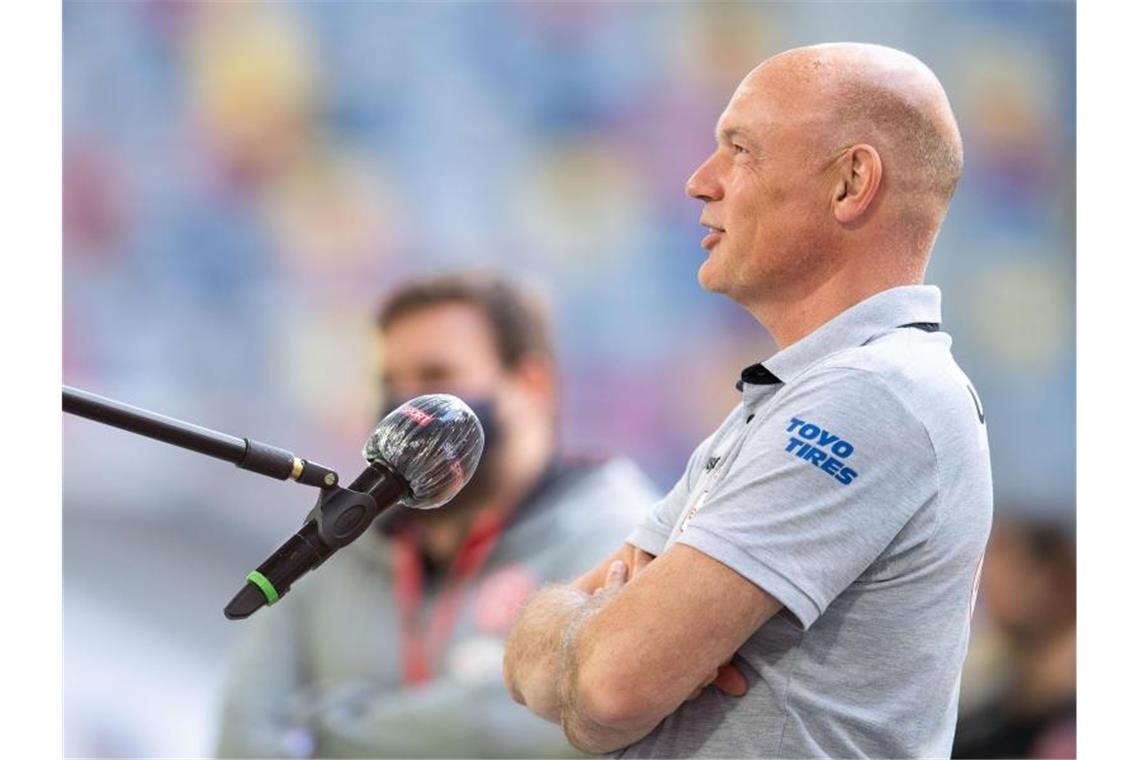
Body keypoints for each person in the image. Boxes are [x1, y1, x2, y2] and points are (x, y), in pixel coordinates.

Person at [503, 42, 993, 758]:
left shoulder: (870, 396)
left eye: (740, 149)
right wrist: (597, 631)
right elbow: (541, 667)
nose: (700, 182)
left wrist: (602, 638)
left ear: (851, 182)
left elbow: (611, 689)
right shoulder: (796, 398)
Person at [215, 272, 659, 758]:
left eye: (435, 379)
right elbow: (245, 731)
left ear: (531, 384)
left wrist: (323, 730)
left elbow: (553, 731)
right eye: (390, 383)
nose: (407, 407)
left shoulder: (622, 535)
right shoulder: (337, 538)